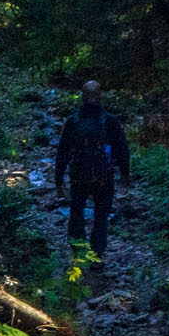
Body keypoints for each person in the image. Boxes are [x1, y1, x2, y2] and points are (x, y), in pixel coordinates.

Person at [53, 80, 131, 260]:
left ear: (82, 97)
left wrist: (59, 179)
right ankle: (96, 254)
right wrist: (125, 174)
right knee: (101, 215)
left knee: (76, 211)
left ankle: (78, 252)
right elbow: (122, 150)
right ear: (100, 97)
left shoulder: (73, 121)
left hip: (79, 175)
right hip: (104, 175)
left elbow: (63, 151)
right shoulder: (110, 121)